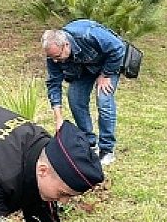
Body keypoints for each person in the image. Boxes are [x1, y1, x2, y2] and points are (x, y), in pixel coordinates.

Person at [42, 19, 126, 166]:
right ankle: (89, 143)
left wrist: (106, 74)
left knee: (104, 100)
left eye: (58, 57)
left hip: (107, 64)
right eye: (52, 58)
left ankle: (107, 149)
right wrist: (58, 118)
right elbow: (54, 83)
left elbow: (118, 48)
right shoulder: (53, 56)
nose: (55, 61)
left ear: (66, 45)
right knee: (75, 100)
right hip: (82, 70)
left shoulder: (87, 34)